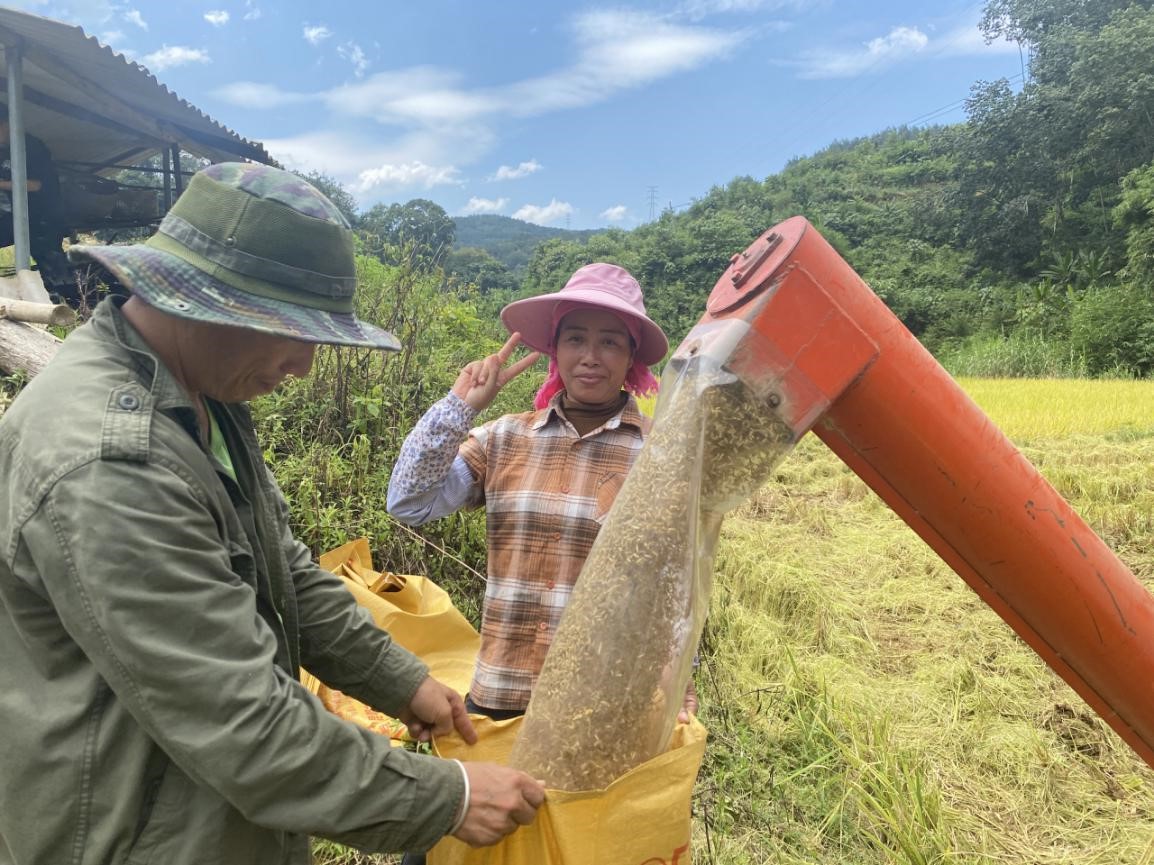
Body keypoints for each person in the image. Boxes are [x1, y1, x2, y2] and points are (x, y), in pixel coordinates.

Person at [0, 162, 545, 864]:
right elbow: (241, 723)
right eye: (294, 334)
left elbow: (281, 565)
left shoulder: (203, 399)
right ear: (210, 304)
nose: (306, 366)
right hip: (128, 833)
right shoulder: (112, 461)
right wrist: (452, 796)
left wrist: (399, 678)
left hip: (200, 820)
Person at [388, 263, 698, 723]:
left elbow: (675, 578)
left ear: (632, 356)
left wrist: (679, 676)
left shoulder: (660, 454)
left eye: (610, 341)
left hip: (601, 702)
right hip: (500, 694)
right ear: (555, 350)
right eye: (575, 338)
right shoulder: (504, 439)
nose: (590, 356)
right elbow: (409, 503)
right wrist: (460, 408)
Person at [0, 102, 69, 289]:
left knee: (53, 268)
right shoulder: (1, 151)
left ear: (6, 124)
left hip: (44, 217)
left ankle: (70, 303)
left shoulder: (32, 147)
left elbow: (37, 185)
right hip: (16, 216)